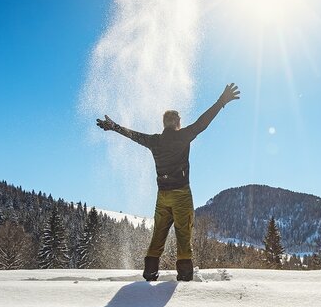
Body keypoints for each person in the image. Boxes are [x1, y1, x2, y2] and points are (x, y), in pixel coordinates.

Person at [96, 83, 240, 281]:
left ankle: (149, 274)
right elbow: (202, 123)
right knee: (183, 237)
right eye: (179, 119)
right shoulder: (183, 136)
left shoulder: (155, 141)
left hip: (162, 197)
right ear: (177, 122)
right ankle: (185, 278)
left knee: (158, 236)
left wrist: (114, 127)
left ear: (165, 123)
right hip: (181, 195)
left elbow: (134, 136)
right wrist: (221, 101)